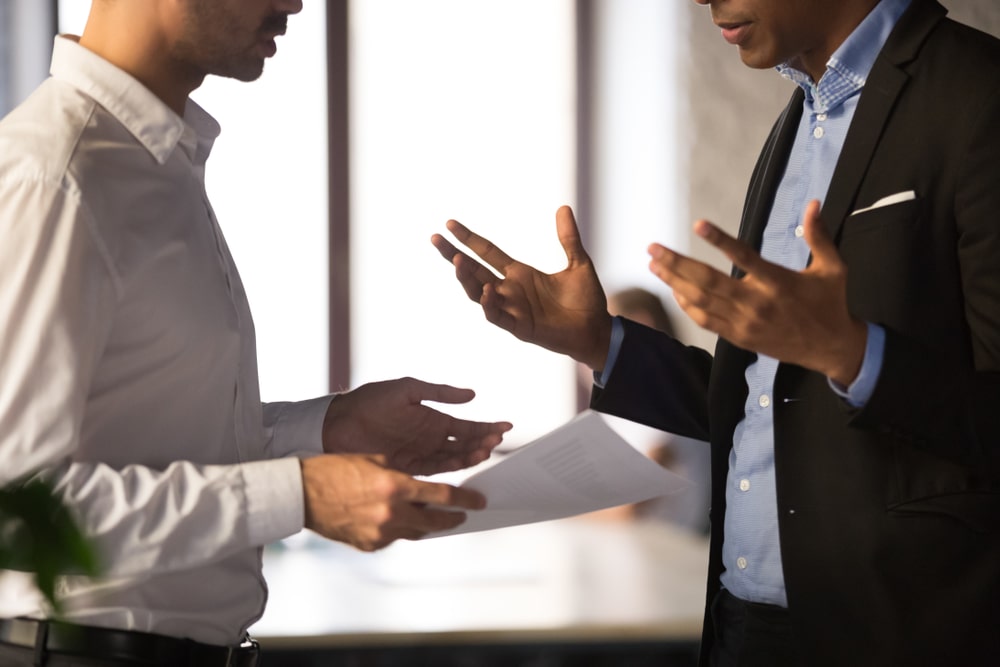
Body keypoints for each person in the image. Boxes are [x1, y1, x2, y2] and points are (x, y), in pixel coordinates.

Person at [432, 0, 1000, 665]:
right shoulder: (801, 116)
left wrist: (849, 352)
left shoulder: (978, 94)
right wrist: (599, 342)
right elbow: (761, 404)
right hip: (739, 623)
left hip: (899, 631)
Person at [0, 1, 513, 665]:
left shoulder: (147, 161)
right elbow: (14, 510)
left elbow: (151, 438)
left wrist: (322, 432)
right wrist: (296, 493)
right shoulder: (57, 175)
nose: (295, 2)